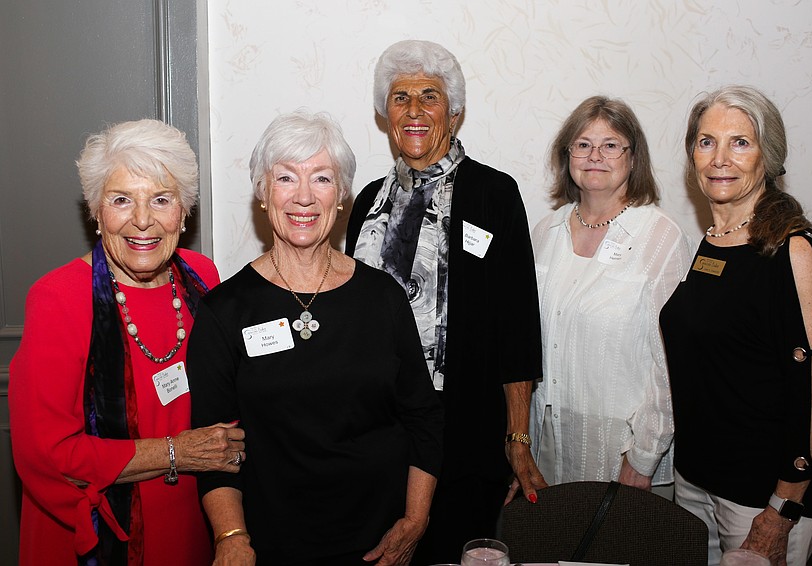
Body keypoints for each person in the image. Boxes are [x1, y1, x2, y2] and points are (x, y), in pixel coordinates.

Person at [188, 110, 443, 566]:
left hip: (380, 544)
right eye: (286, 178)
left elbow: (423, 417)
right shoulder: (224, 310)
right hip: (269, 546)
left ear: (341, 195)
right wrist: (231, 536)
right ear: (263, 193)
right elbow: (213, 445)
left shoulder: (384, 297)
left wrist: (415, 520)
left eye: (322, 178)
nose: (303, 197)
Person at [9, 119, 246, 565]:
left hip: (195, 521)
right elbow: (50, 454)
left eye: (161, 199)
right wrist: (177, 452)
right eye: (121, 200)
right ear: (96, 212)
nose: (142, 220)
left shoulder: (201, 277)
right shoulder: (59, 298)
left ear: (183, 211)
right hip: (102, 535)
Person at [345, 40, 545, 564]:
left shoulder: (494, 194)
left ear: (453, 113)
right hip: (377, 429)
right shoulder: (366, 202)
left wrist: (517, 436)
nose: (414, 110)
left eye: (429, 97)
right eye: (400, 98)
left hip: (465, 429)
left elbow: (517, 325)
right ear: (386, 114)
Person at [660, 85, 812, 566]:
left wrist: (782, 510)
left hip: (761, 499)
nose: (720, 158)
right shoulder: (712, 240)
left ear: (768, 156)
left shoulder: (793, 248)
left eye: (740, 142)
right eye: (706, 142)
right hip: (695, 481)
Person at [529, 96, 692, 491]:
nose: (595, 156)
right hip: (546, 443)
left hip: (623, 453)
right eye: (583, 144)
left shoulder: (660, 237)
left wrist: (644, 456)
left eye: (611, 145)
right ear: (567, 155)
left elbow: (671, 364)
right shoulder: (545, 232)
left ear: (633, 158)